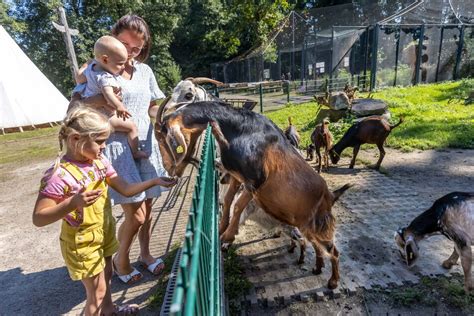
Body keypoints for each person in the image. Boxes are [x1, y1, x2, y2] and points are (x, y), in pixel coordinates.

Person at [33, 106, 177, 316]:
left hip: (103, 229)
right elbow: (39, 218)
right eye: (99, 142)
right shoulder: (58, 175)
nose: (104, 146)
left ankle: (109, 311)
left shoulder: (98, 162)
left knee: (107, 275)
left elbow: (126, 189)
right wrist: (72, 203)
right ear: (75, 139)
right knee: (97, 293)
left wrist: (154, 181)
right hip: (82, 240)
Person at [72, 14, 171, 285]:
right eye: (125, 45)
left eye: (137, 48)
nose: (130, 52)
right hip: (116, 146)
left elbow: (151, 106)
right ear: (113, 39)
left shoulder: (145, 71)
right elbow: (75, 106)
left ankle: (147, 254)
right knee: (135, 213)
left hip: (145, 142)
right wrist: (99, 101)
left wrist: (168, 115)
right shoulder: (96, 68)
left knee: (147, 208)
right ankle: (121, 260)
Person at [75, 35, 147, 160]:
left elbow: (79, 79)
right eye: (120, 64)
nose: (123, 67)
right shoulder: (105, 77)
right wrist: (119, 106)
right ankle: (135, 152)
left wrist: (87, 64)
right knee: (132, 127)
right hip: (105, 116)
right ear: (105, 60)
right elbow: (108, 95)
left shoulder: (91, 70)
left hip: (92, 115)